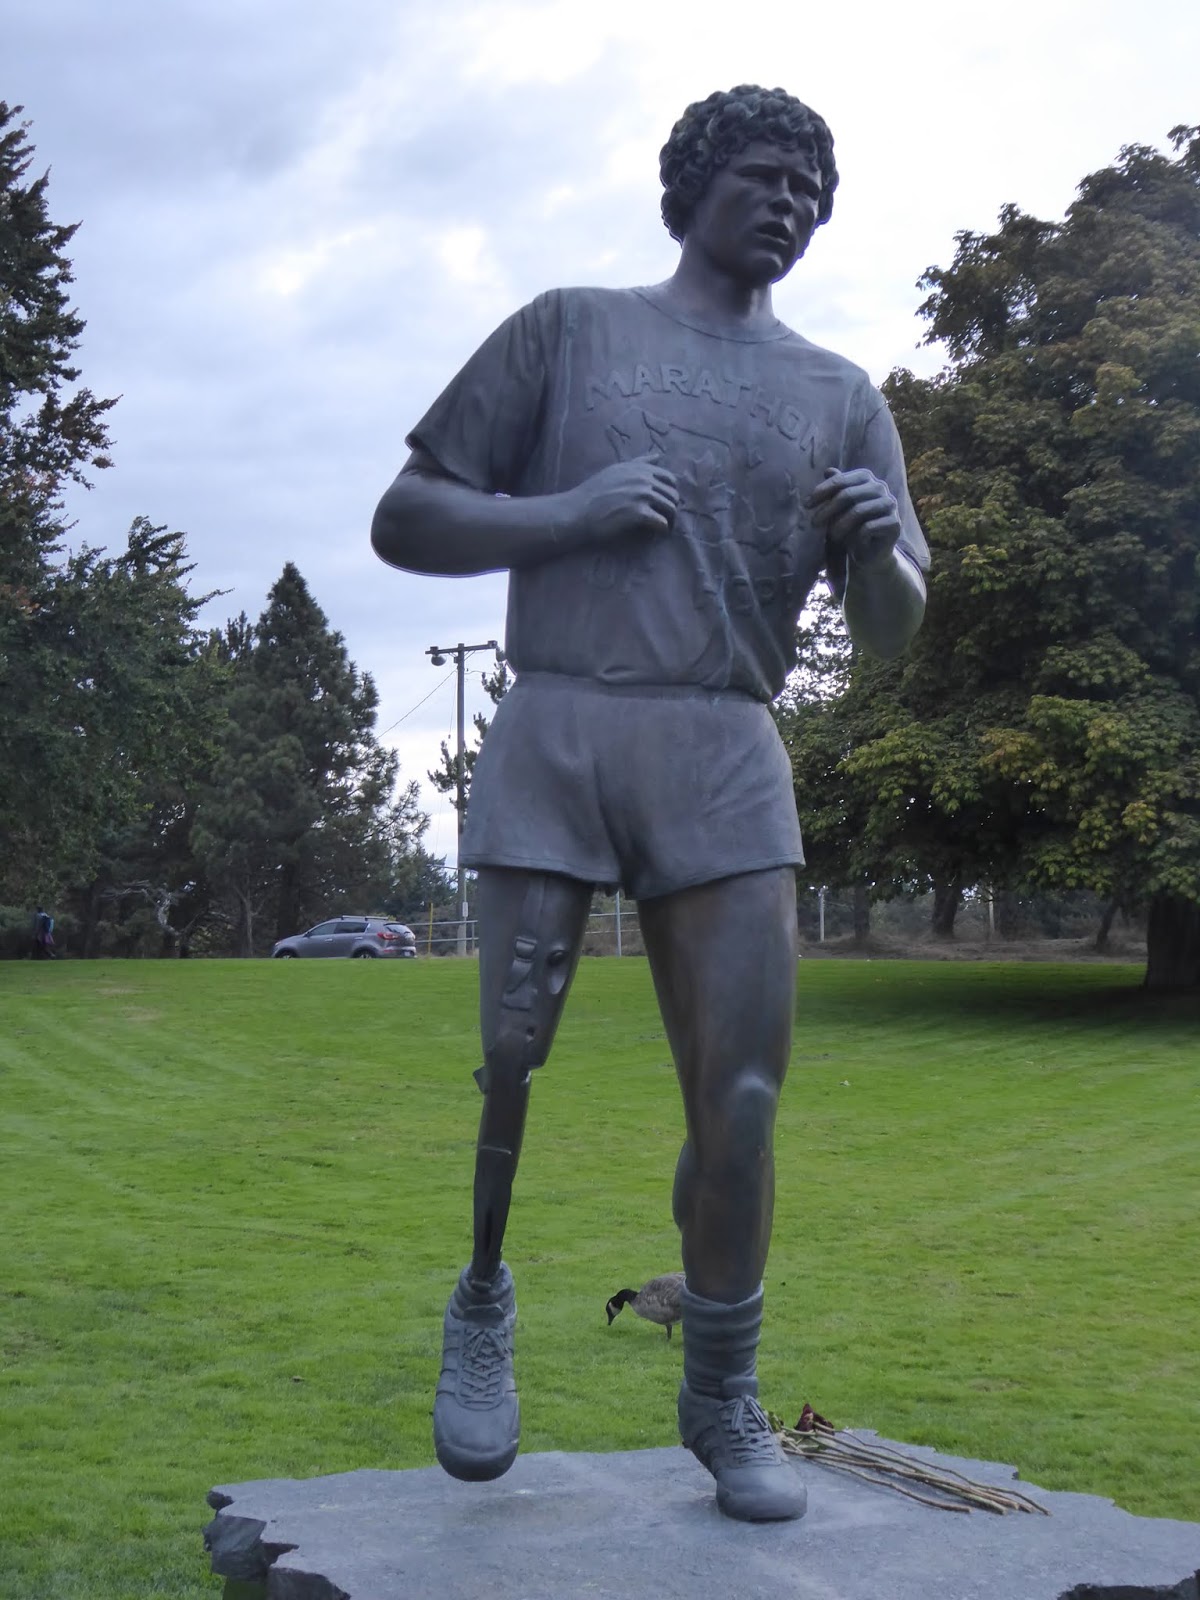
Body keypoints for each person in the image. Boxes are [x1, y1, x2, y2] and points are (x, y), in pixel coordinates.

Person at [371, 84, 929, 1522]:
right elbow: (409, 513)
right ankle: (484, 1294)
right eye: (762, 175)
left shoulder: (839, 392)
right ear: (687, 189)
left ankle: (721, 1387)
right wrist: (571, 512)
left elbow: (895, 631)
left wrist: (878, 553)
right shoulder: (571, 328)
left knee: (742, 1097)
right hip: (562, 720)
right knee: (512, 1055)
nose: (789, 202)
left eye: (812, 187)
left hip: (726, 743)